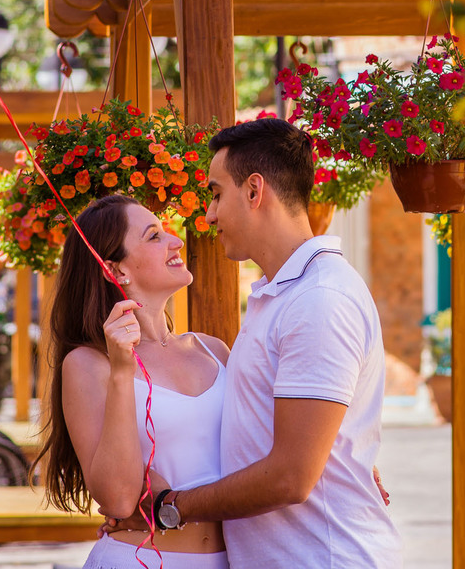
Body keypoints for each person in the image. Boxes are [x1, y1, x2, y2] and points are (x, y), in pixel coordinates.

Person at [108, 118, 402, 568]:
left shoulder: (318, 299)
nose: (208, 215)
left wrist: (171, 507)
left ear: (253, 191)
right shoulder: (280, 294)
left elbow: (291, 477)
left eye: (215, 193)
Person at [34, 194, 231, 568]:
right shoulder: (89, 364)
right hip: (139, 560)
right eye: (154, 236)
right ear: (115, 270)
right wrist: (123, 371)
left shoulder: (214, 350)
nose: (176, 241)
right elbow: (119, 500)